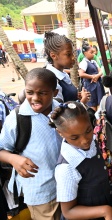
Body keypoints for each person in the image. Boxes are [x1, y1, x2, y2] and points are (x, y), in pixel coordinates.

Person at [0, 68, 63, 219]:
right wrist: (13, 159)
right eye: (30, 92)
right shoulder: (17, 119)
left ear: (54, 92)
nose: (35, 98)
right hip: (41, 194)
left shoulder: (62, 109)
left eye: (42, 93)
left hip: (68, 186)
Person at [49, 101, 112, 220]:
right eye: (75, 137)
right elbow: (68, 211)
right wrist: (105, 210)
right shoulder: (66, 168)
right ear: (60, 133)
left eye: (88, 131)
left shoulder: (91, 142)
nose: (85, 140)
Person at [43, 32, 90, 103]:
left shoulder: (63, 75)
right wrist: (83, 102)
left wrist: (75, 96)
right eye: (68, 54)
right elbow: (59, 112)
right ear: (53, 55)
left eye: (73, 53)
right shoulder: (52, 82)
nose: (73, 57)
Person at [79, 44, 105, 111]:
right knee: (92, 105)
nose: (93, 54)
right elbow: (81, 74)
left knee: (100, 103)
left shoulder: (94, 62)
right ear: (85, 53)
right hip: (90, 86)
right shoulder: (84, 62)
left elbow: (101, 71)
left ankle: (99, 119)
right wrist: (92, 76)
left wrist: (97, 76)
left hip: (98, 84)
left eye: (93, 52)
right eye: (91, 52)